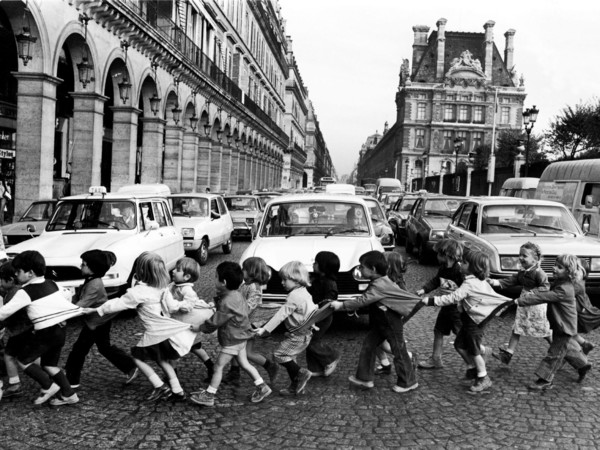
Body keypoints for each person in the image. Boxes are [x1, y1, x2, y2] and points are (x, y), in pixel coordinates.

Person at [84, 252, 196, 402]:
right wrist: (189, 304)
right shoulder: (163, 288)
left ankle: (160, 386)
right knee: (162, 360)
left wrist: (97, 309)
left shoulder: (138, 293)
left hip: (154, 332)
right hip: (166, 330)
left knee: (137, 358)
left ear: (141, 271)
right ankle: (178, 390)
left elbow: (118, 304)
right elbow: (174, 306)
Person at [420, 249, 511, 393]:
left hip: (474, 322)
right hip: (470, 320)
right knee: (459, 345)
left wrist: (431, 300)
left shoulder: (470, 284)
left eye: (464, 262)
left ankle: (483, 378)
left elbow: (453, 297)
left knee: (473, 350)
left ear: (473, 267)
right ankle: (473, 369)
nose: (460, 264)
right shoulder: (476, 281)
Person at [330, 251, 419, 394]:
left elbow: (363, 300)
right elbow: (367, 299)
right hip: (381, 323)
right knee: (368, 346)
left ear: (373, 269)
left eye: (362, 267)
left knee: (399, 351)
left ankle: (408, 382)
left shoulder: (380, 285)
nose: (359, 269)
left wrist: (341, 305)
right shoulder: (379, 282)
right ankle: (364, 378)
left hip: (390, 323)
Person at [0, 250, 82, 405]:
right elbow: (65, 297)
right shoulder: (52, 283)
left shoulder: (25, 292)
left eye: (18, 271)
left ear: (30, 273)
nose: (16, 275)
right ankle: (69, 394)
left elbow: (3, 313)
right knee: (49, 365)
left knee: (24, 360)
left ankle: (48, 385)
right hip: (59, 330)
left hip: (45, 332)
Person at [189, 262, 272, 407]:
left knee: (218, 367)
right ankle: (262, 386)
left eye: (215, 277)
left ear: (224, 282)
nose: (213, 279)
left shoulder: (227, 302)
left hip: (232, 340)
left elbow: (215, 322)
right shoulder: (236, 295)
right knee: (245, 364)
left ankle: (209, 395)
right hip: (241, 338)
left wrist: (199, 327)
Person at [64, 250, 138, 389]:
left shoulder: (94, 285)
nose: (81, 266)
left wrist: (63, 314)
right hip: (99, 320)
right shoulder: (91, 280)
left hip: (96, 322)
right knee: (104, 347)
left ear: (93, 268)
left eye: (84, 264)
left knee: (79, 350)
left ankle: (72, 380)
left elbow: (81, 305)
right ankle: (130, 366)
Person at [516, 254, 591, 390]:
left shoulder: (564, 288)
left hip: (564, 327)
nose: (554, 268)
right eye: (555, 265)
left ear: (569, 272)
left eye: (559, 267)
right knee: (564, 350)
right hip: (560, 325)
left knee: (554, 354)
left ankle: (545, 380)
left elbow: (545, 297)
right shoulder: (562, 283)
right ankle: (582, 365)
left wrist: (520, 300)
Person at [254, 261, 316, 396]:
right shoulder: (304, 292)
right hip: (304, 334)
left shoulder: (294, 296)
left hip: (298, 335)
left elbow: (280, 315)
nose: (282, 282)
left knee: (279, 354)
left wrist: (265, 329)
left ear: (296, 279)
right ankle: (296, 386)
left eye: (285, 279)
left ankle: (302, 373)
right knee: (290, 358)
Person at [488, 242, 551, 364]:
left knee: (543, 329)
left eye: (524, 256)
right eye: (520, 255)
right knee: (517, 327)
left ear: (535, 259)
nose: (521, 258)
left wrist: (533, 292)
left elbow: (545, 287)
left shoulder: (539, 272)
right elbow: (512, 280)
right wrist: (495, 282)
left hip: (536, 305)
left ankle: (559, 351)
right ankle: (508, 354)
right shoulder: (523, 271)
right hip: (524, 302)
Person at [224, 257, 278, 386]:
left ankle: (270, 365)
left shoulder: (254, 287)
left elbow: (248, 307)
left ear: (252, 271)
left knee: (246, 353)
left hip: (248, 324)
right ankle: (234, 373)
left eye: (244, 269)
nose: (242, 271)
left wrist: (234, 310)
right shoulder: (246, 285)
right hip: (241, 323)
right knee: (236, 348)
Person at [416, 239, 465, 370]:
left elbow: (466, 290)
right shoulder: (443, 268)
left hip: (457, 310)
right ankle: (436, 359)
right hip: (446, 308)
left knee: (462, 337)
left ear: (446, 255)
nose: (436, 256)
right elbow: (436, 281)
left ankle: (477, 357)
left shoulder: (459, 271)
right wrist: (424, 289)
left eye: (438, 254)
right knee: (438, 331)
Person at [168, 257, 215, 383]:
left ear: (187, 276)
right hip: (178, 323)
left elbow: (188, 306)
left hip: (186, 325)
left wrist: (176, 305)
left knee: (174, 350)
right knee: (195, 348)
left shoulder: (187, 290)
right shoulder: (173, 285)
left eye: (177, 270)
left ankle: (172, 378)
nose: (173, 271)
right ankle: (211, 367)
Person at [306, 251, 341, 377]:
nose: (313, 264)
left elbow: (328, 303)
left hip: (323, 316)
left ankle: (331, 356)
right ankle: (315, 368)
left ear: (323, 266)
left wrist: (318, 314)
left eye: (316, 263)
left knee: (310, 340)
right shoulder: (316, 279)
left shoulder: (330, 284)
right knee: (311, 339)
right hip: (313, 315)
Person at [0, 261, 32, 399]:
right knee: (16, 356)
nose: (0, 283)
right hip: (22, 330)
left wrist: (2, 325)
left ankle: (50, 381)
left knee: (18, 357)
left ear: (11, 280)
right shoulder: (15, 290)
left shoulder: (14, 293)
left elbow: (9, 315)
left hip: (20, 331)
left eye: (1, 280)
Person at [374, 251, 408, 375]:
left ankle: (408, 357)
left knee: (389, 346)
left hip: (390, 320)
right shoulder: (383, 280)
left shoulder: (398, 283)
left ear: (388, 266)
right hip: (380, 318)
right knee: (376, 343)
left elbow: (404, 301)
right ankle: (385, 365)